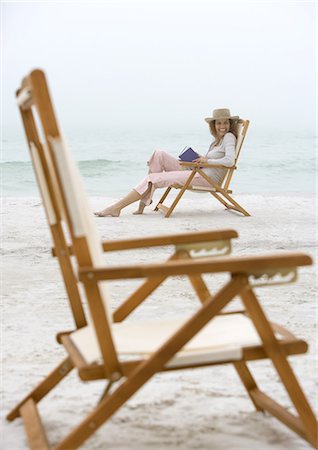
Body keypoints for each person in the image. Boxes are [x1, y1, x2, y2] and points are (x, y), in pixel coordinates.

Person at [94, 108, 240, 217]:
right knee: (159, 154)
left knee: (152, 178)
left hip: (205, 179)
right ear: (213, 125)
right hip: (198, 171)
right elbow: (216, 160)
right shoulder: (217, 140)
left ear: (230, 124)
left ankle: (118, 207)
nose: (223, 126)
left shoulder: (228, 137)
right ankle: (145, 198)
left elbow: (229, 161)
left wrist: (206, 160)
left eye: (225, 122)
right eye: (219, 123)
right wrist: (199, 158)